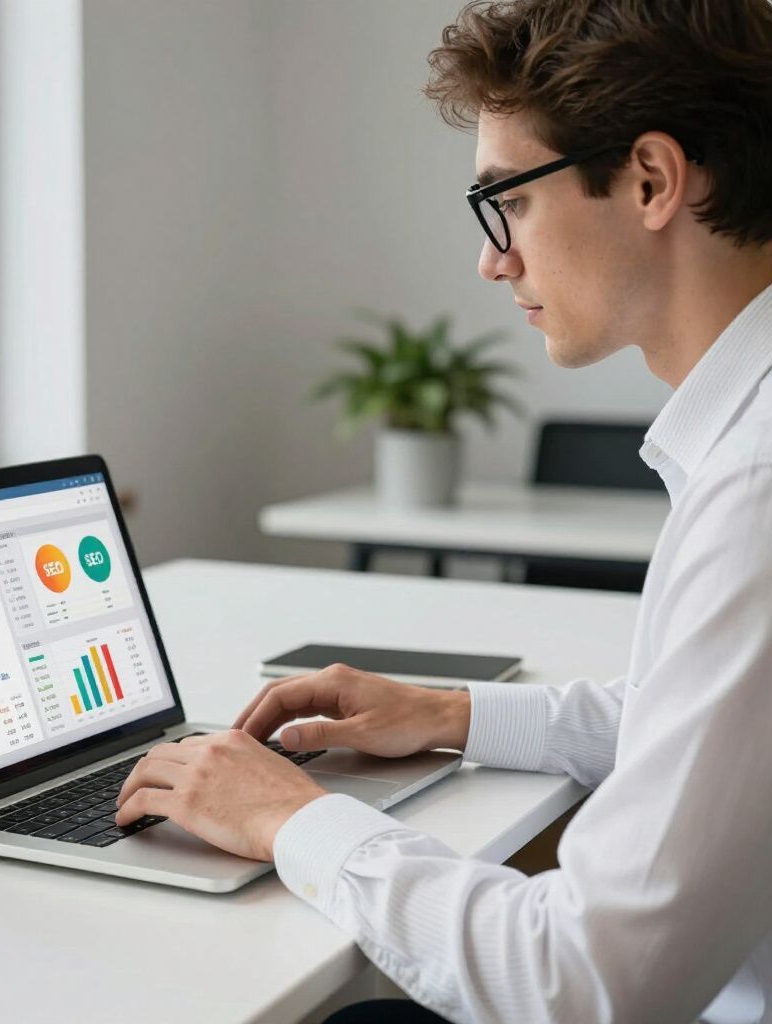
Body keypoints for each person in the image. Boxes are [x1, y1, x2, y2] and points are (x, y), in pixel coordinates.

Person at [114, 1, 772, 1020]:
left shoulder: (755, 487)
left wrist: (293, 818)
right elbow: (710, 727)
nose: (493, 258)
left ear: (649, 179)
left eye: (504, 199)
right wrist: (453, 714)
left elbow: (589, 984)